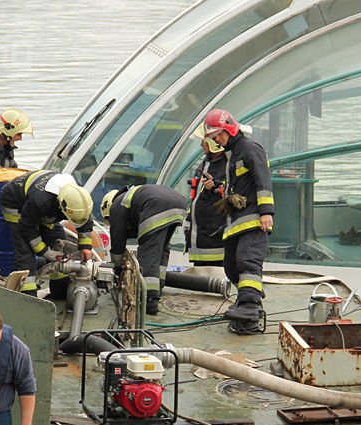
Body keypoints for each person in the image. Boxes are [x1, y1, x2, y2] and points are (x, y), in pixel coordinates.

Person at [202, 108, 275, 335]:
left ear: (229, 128)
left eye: (219, 135)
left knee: (247, 260)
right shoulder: (231, 155)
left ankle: (249, 307)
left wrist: (266, 212)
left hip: (253, 219)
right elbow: (237, 187)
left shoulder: (250, 148)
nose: (217, 140)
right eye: (214, 138)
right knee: (231, 266)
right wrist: (219, 189)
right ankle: (247, 300)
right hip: (236, 221)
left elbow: (262, 180)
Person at [0, 169, 93, 297]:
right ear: (62, 206)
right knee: (25, 252)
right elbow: (27, 227)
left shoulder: (79, 200)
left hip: (44, 211)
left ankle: (59, 291)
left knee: (59, 243)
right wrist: (44, 251)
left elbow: (85, 222)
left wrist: (85, 247)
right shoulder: (41, 200)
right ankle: (29, 295)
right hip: (15, 202)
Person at [100, 184, 187, 315]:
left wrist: (117, 268)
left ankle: (149, 300)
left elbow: (117, 240)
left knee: (148, 251)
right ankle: (159, 287)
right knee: (161, 249)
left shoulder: (117, 205)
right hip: (179, 204)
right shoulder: (134, 197)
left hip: (157, 204)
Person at [186, 124, 228, 267]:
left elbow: (231, 192)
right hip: (200, 234)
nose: (201, 144)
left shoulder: (226, 164)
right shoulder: (206, 162)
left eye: (203, 141)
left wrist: (216, 187)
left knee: (215, 273)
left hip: (214, 234)